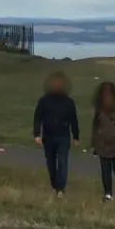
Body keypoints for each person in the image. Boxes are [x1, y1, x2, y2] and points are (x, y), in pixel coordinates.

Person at [32, 70, 80, 198]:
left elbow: (73, 120)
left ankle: (61, 189)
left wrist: (75, 136)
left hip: (63, 137)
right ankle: (55, 185)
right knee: (51, 163)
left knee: (62, 162)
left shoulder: (68, 102)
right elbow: (38, 118)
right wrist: (37, 134)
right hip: (48, 136)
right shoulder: (44, 101)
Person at [90, 81, 115, 203]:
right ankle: (108, 195)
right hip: (103, 145)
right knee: (105, 171)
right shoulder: (99, 110)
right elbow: (96, 128)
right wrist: (95, 145)